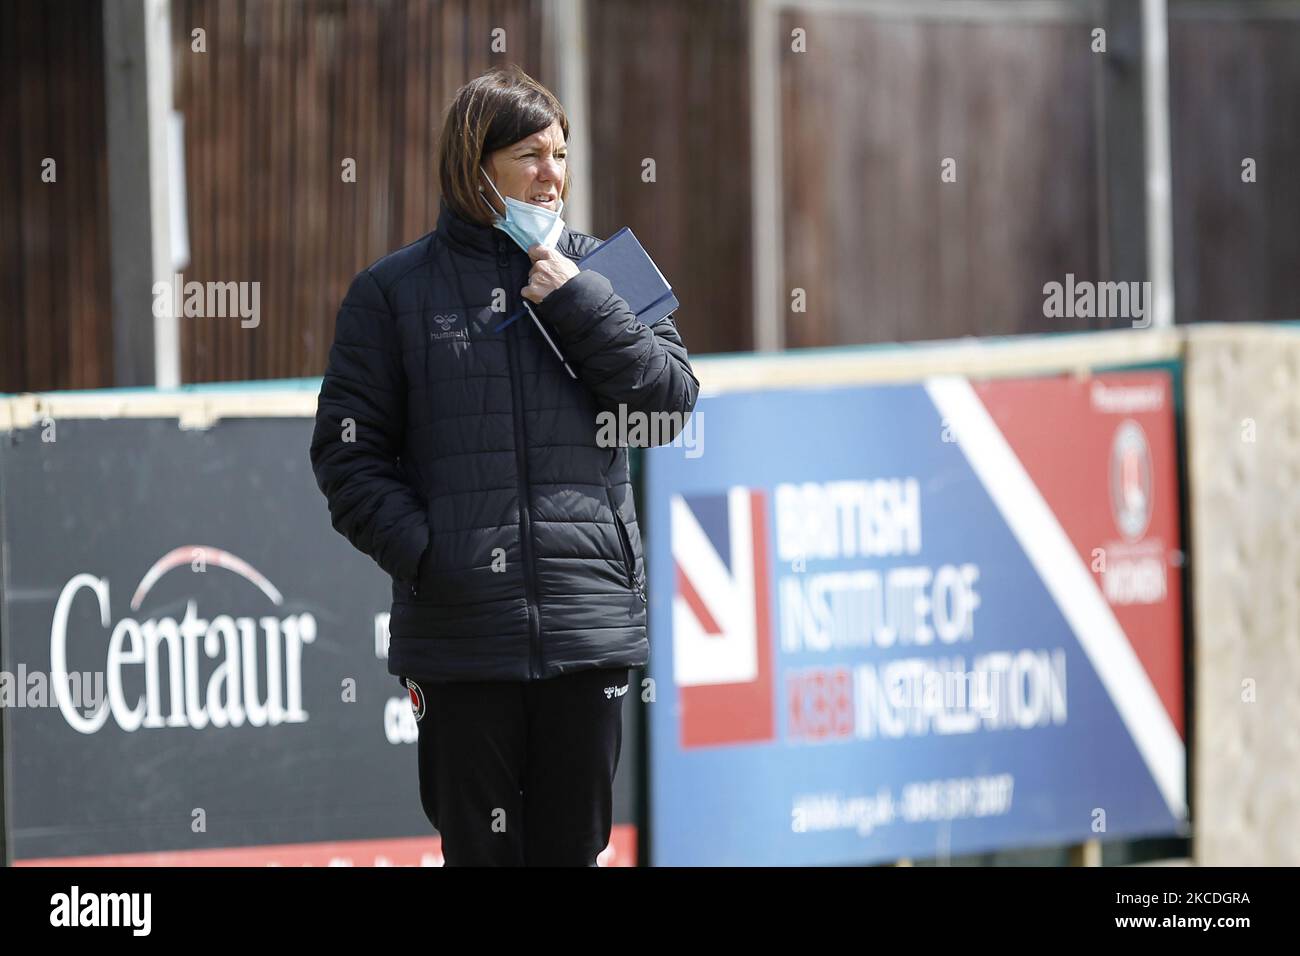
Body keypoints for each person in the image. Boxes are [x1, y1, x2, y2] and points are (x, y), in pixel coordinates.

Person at [308, 64, 698, 866]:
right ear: (474, 163)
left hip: (588, 631)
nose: (552, 175)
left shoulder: (606, 267)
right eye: (530, 155)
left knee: (570, 853)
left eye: (560, 154)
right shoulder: (391, 292)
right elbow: (347, 457)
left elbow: (668, 406)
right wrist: (434, 554)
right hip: (462, 638)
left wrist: (579, 301)